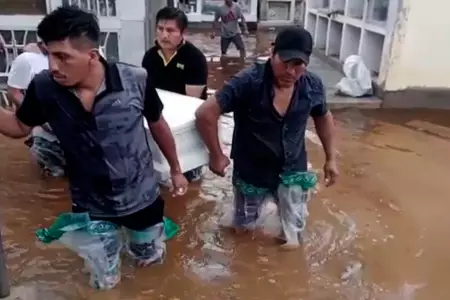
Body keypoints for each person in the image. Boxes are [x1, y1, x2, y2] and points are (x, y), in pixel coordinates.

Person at [0, 6, 188, 283]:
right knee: (102, 278)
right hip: (90, 206)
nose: (53, 66)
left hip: (141, 198)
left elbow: (158, 123)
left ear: (91, 55)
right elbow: (19, 127)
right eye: (48, 54)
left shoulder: (134, 80)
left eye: (63, 57)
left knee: (149, 265)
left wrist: (175, 169)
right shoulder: (45, 88)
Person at [195, 27, 338, 248]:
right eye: (285, 62)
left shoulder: (313, 85)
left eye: (298, 65)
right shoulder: (248, 82)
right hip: (252, 172)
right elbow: (205, 113)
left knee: (294, 233)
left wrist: (331, 158)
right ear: (273, 53)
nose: (290, 71)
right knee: (243, 230)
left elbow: (323, 116)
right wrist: (216, 155)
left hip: (292, 171)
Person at [142, 7, 208, 182]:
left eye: (170, 30)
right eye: (160, 29)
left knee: (191, 179)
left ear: (183, 32)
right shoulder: (150, 57)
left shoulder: (194, 58)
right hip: (160, 118)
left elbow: (189, 103)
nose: (164, 35)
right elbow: (146, 94)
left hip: (186, 127)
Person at [7, 41, 66, 177]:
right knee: (50, 187)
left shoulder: (87, 55)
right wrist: (36, 116)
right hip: (46, 138)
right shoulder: (28, 60)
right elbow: (14, 91)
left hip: (79, 139)